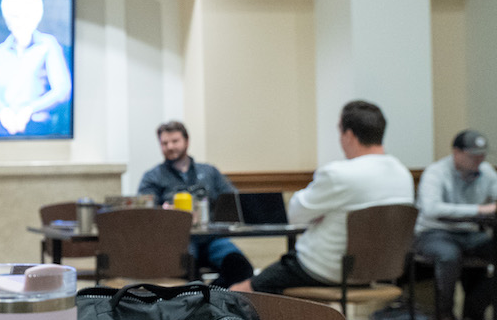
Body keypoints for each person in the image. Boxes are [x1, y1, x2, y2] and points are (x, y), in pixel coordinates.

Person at [234, 100, 414, 294]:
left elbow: (295, 215)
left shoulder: (339, 174)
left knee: (240, 291)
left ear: (349, 135)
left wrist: (320, 216)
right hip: (383, 271)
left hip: (324, 270)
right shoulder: (403, 175)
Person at [137, 121, 254, 287]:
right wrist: (164, 212)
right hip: (177, 241)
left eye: (175, 141)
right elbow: (143, 213)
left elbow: (234, 200)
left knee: (241, 268)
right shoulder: (152, 177)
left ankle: (213, 296)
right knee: (185, 273)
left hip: (212, 238)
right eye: (164, 143)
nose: (170, 146)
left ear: (187, 141)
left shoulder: (209, 172)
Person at [413, 130, 497, 320]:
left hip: (470, 232)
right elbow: (432, 209)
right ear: (456, 152)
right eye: (473, 154)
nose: (479, 159)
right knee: (449, 255)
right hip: (434, 232)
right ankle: (445, 315)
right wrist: (479, 209)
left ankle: (474, 311)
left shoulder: (487, 172)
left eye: (482, 154)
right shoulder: (436, 172)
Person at [0, 0, 72, 136]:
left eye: (26, 15)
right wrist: (4, 113)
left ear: (36, 17)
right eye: (14, 16)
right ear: (7, 19)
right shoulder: (0, 52)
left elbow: (62, 91)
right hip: (5, 127)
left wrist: (29, 110)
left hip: (40, 126)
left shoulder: (48, 45)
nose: (20, 22)